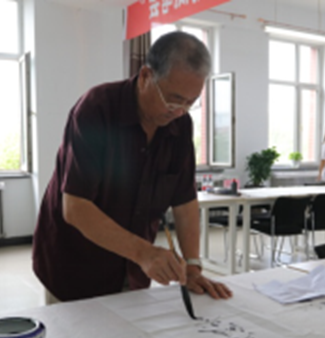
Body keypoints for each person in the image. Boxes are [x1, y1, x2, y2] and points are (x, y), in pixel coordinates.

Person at [32, 31, 232, 302]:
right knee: (78, 329)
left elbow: (184, 202)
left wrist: (193, 266)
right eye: (173, 99)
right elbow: (76, 207)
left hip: (132, 267)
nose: (179, 111)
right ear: (146, 76)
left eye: (190, 103)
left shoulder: (180, 125)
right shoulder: (96, 110)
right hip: (75, 264)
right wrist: (144, 253)